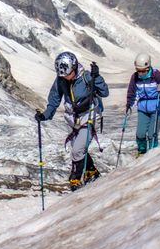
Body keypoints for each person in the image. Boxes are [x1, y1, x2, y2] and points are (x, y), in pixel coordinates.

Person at [35, 51, 109, 191]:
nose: (66, 78)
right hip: (73, 120)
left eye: (67, 74)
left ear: (74, 67)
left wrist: (97, 77)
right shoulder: (61, 80)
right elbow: (54, 100)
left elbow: (104, 92)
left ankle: (75, 179)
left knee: (77, 150)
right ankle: (92, 173)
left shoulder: (87, 77)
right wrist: (45, 115)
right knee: (79, 150)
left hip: (89, 117)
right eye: (62, 75)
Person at [125, 53, 160, 155]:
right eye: (138, 70)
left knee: (152, 134)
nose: (140, 73)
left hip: (157, 108)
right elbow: (132, 94)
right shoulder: (135, 77)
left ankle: (152, 155)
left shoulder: (157, 76)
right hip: (143, 109)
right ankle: (141, 153)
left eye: (142, 71)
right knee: (140, 134)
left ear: (148, 67)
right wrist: (129, 106)